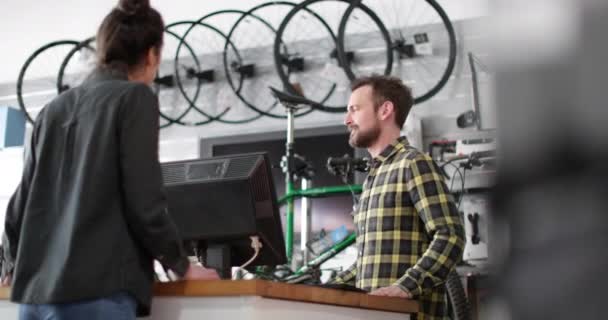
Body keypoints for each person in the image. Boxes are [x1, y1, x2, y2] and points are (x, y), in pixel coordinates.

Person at [0, 0, 218, 319]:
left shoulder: (53, 110)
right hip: (96, 293)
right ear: (152, 54)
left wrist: (9, 263)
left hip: (35, 299)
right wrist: (182, 266)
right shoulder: (135, 98)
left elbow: (20, 201)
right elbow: (144, 200)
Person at [331, 75, 465, 320]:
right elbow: (371, 261)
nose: (347, 120)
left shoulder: (413, 163)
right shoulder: (375, 176)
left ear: (385, 110)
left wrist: (407, 286)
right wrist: (330, 286)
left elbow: (450, 235)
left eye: (354, 109)